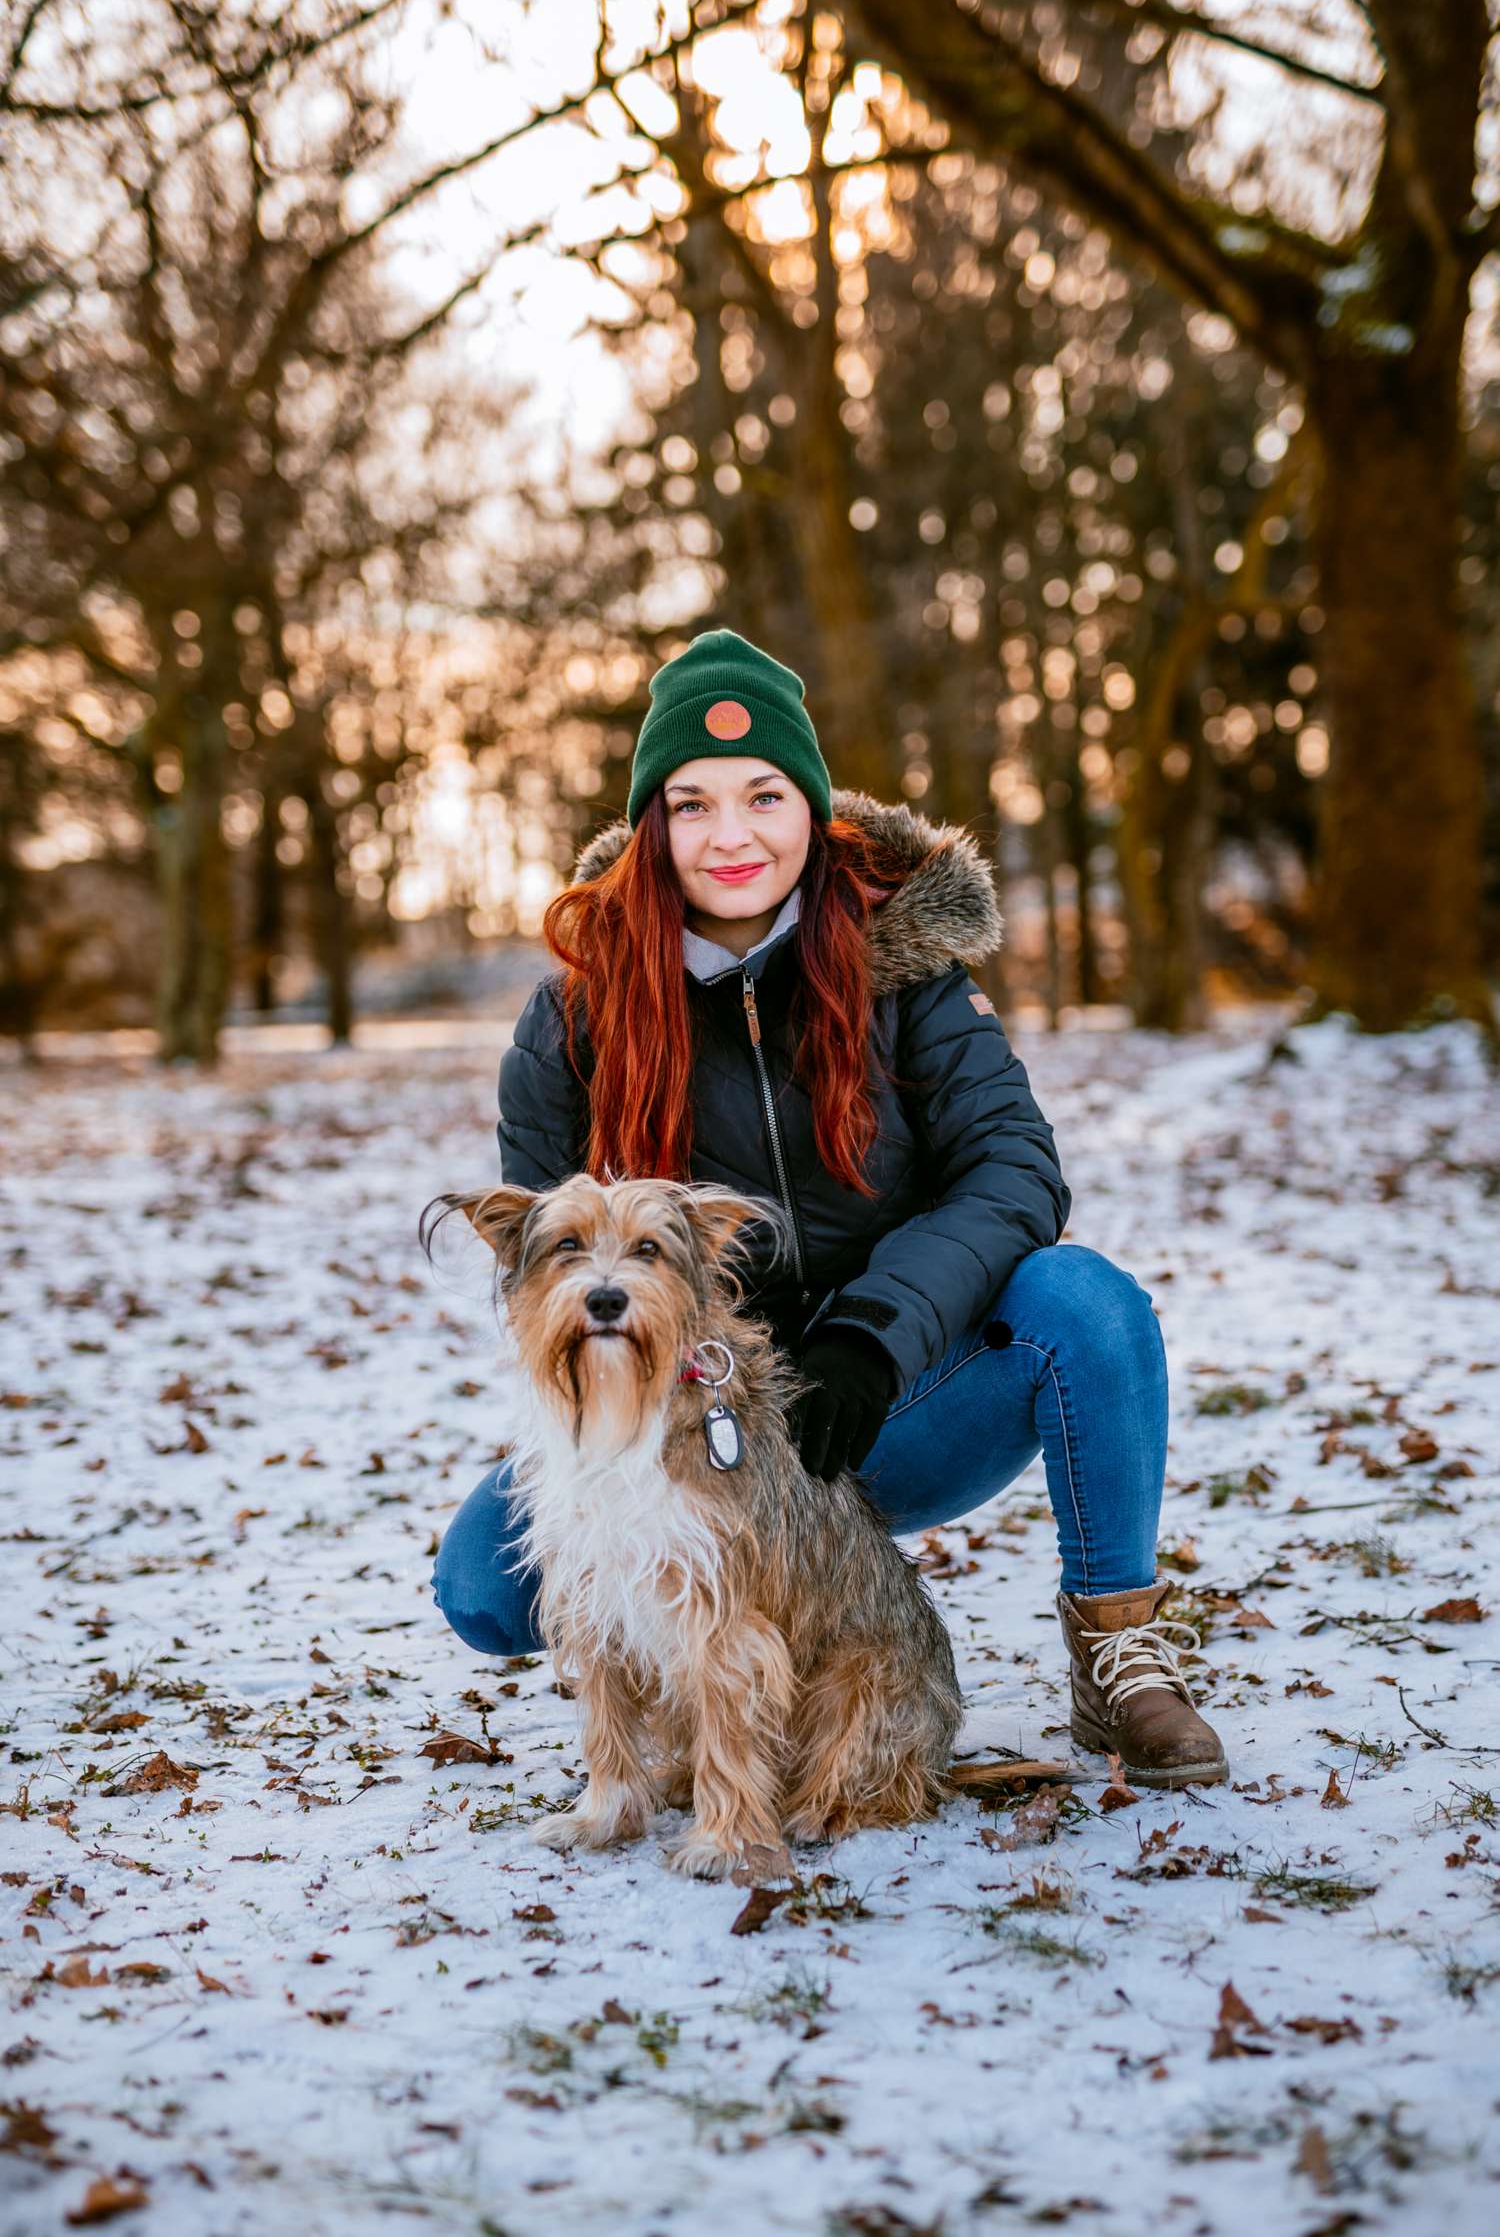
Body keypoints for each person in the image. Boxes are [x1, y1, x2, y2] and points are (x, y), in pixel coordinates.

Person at [431, 628, 1226, 1787]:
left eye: (763, 795)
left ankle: (1119, 1656)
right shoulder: (575, 1014)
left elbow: (1017, 1172)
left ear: (811, 806)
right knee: (484, 1593)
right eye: (693, 805)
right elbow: (545, 1258)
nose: (732, 834)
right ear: (655, 827)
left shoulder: (910, 970)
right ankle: (708, 1666)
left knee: (1084, 1301)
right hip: (682, 1418)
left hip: (888, 1403)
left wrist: (872, 1332)